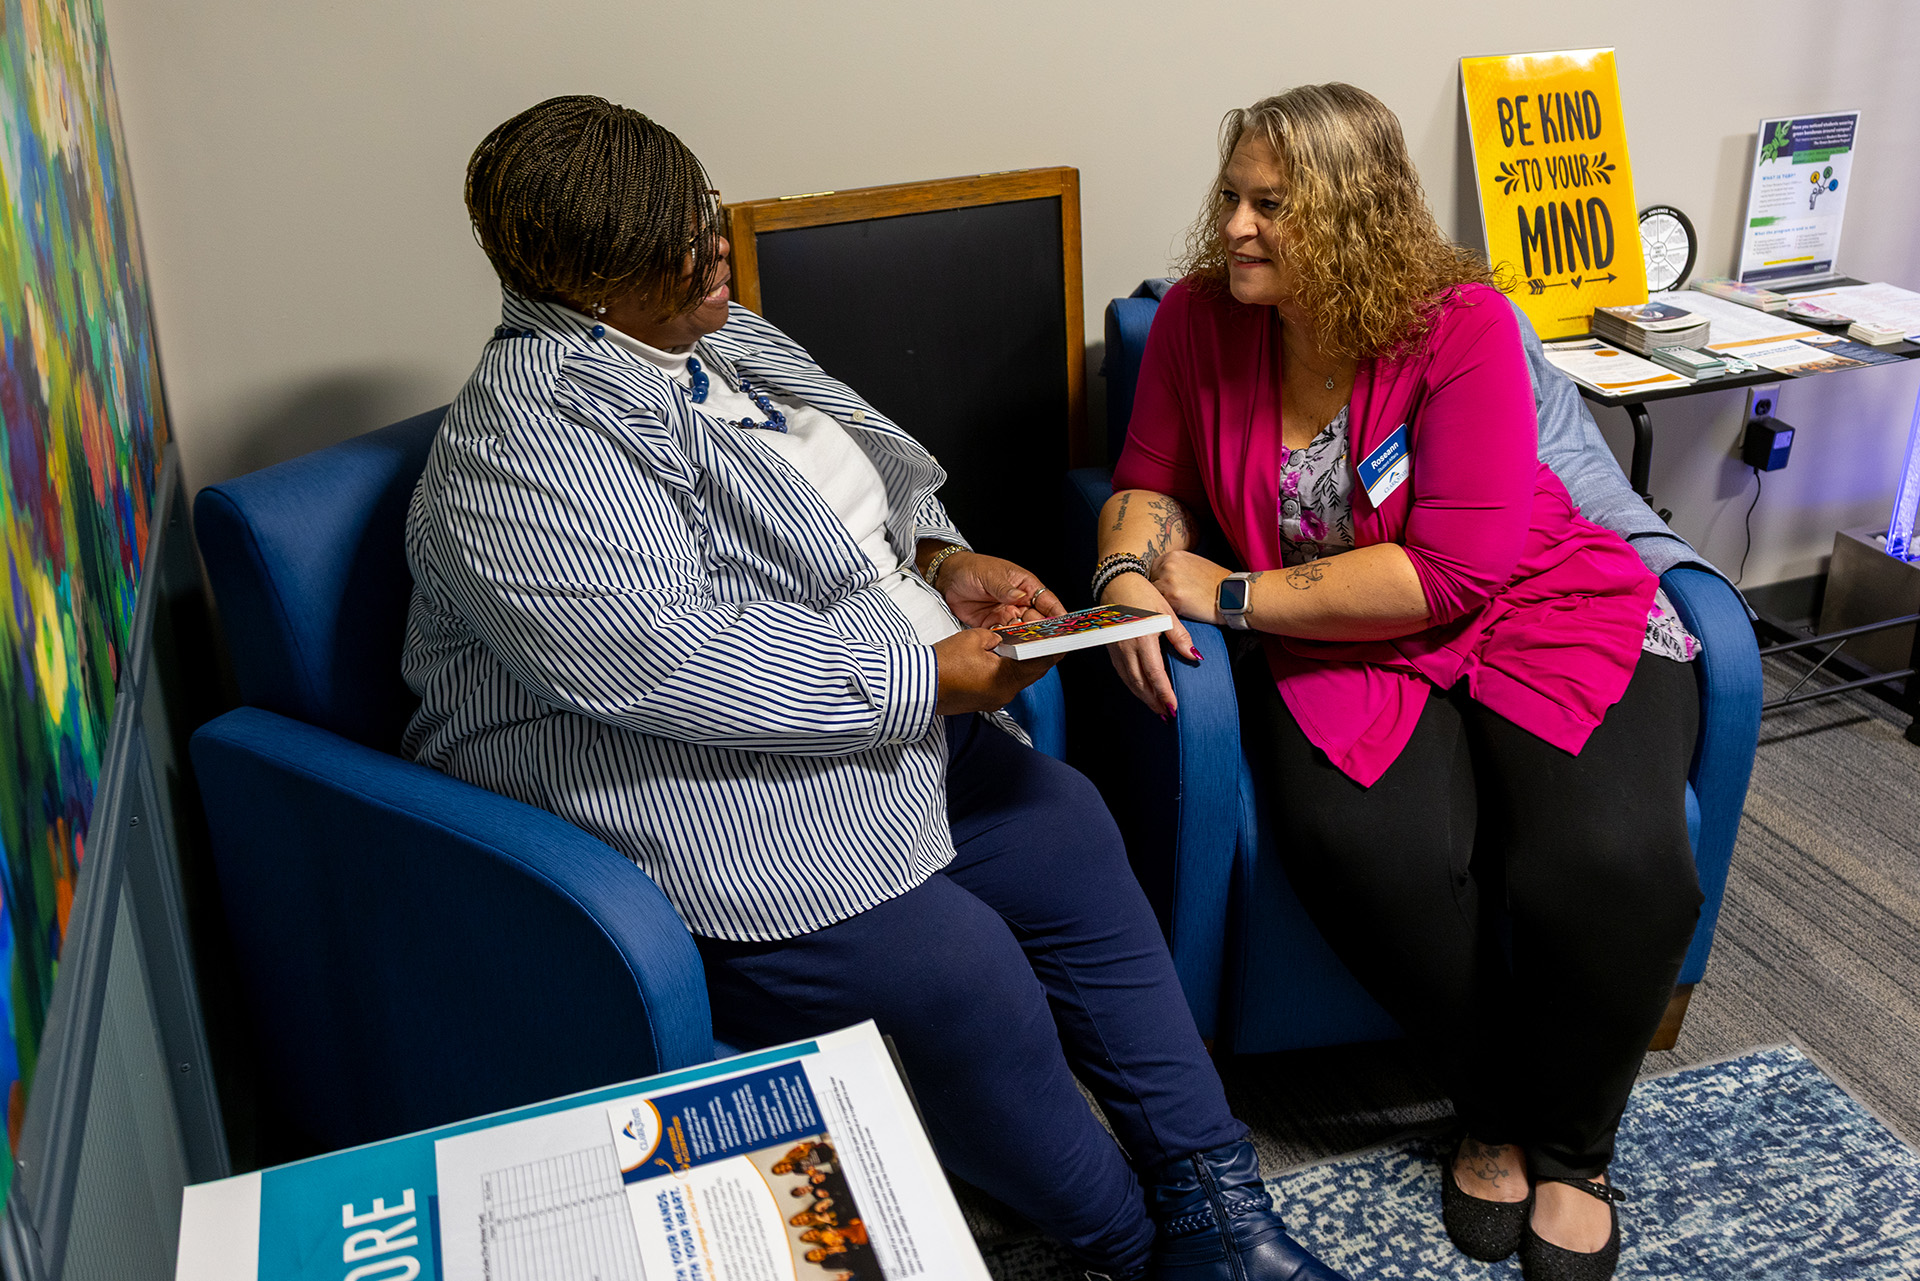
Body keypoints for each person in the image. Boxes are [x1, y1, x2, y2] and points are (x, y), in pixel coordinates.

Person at [403, 95, 1348, 1281]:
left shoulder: (718, 337)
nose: (715, 253)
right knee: (961, 972)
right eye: (676, 248)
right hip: (692, 794)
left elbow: (864, 495)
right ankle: (1139, 1249)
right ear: (583, 283)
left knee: (1067, 829)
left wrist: (942, 564)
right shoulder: (520, 454)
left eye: (702, 212)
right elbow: (684, 666)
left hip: (873, 733)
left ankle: (1224, 1212)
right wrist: (924, 677)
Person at [1097, 84, 1703, 1281]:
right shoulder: (1199, 327)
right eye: (1232, 197)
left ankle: (1576, 1153)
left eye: (1272, 205)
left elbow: (1455, 565)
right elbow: (1147, 476)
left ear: (1354, 213)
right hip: (1345, 633)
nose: (1233, 228)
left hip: (1524, 597)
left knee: (1609, 858)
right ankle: (1492, 1107)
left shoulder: (1461, 322)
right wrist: (1124, 563)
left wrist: (1225, 596)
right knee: (1371, 853)